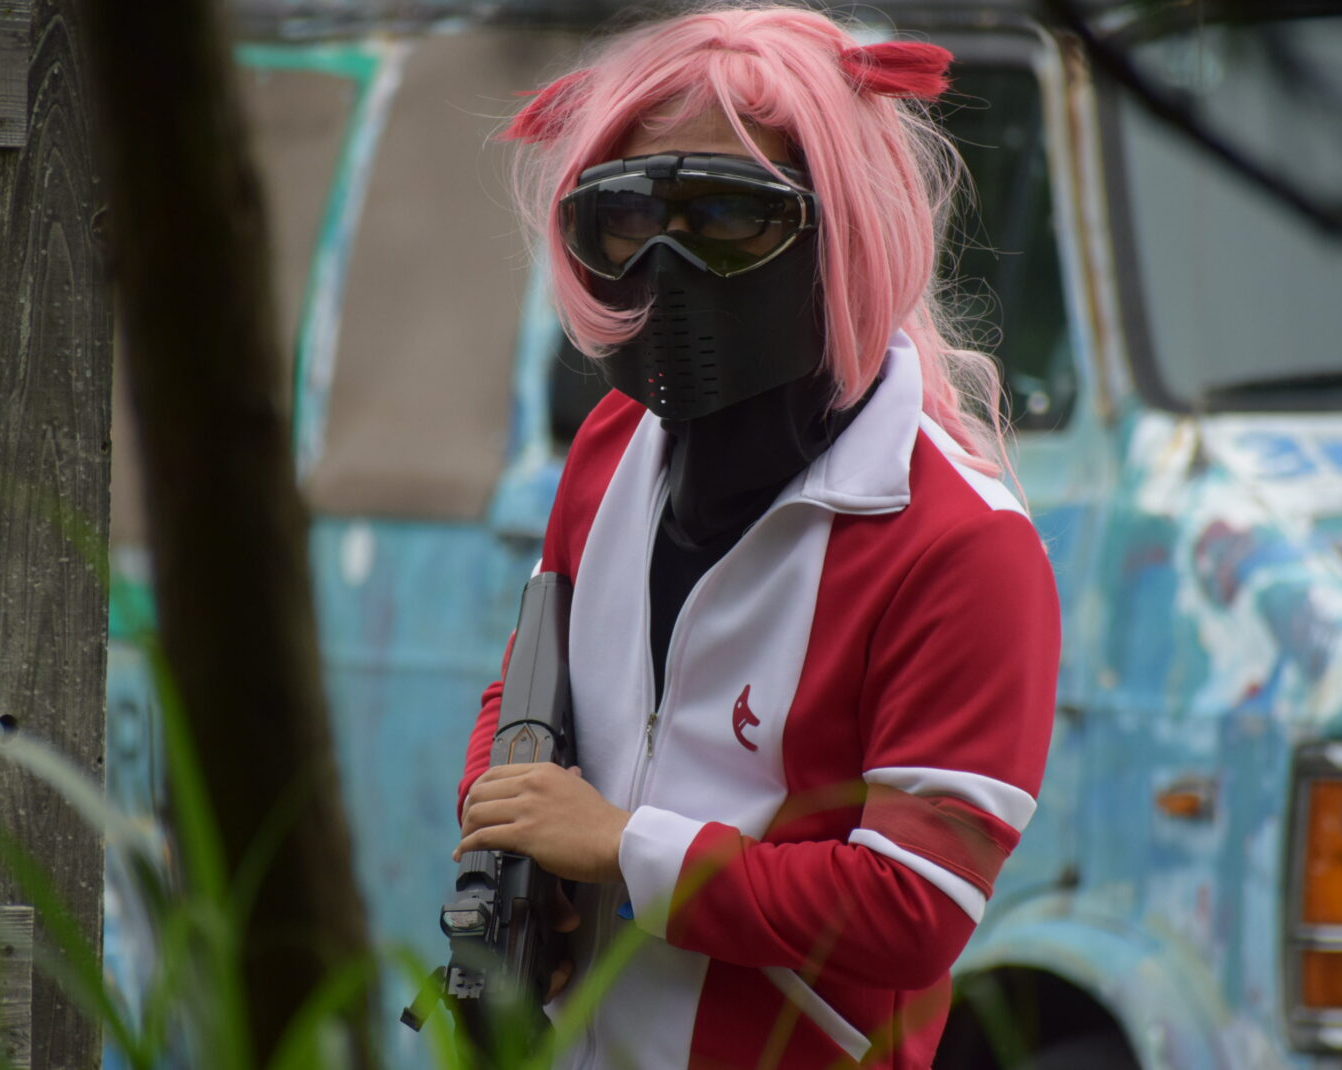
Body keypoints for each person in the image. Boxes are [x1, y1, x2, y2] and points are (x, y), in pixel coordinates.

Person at [452, 6, 1060, 1067]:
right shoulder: (611, 445)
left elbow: (912, 904)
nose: (668, 264)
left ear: (847, 224)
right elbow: (532, 682)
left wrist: (620, 849)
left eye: (732, 214)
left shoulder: (964, 549)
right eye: (625, 215)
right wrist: (511, 854)